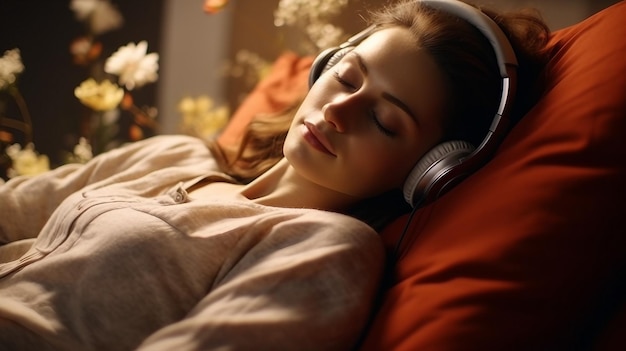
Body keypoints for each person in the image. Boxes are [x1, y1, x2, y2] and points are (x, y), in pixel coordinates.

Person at [0, 0, 550, 350]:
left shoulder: (324, 248)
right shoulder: (171, 156)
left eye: (384, 120)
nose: (340, 110)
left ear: (432, 170)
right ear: (322, 66)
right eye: (348, 76)